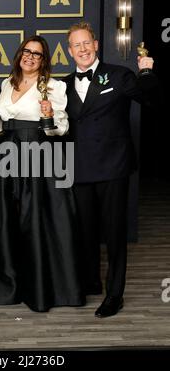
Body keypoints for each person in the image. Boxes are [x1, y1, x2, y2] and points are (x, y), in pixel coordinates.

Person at [0, 35, 86, 312]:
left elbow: (59, 130)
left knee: (36, 220)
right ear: (19, 55)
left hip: (39, 155)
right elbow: (1, 123)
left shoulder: (54, 86)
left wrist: (49, 115)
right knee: (6, 220)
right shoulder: (6, 83)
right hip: (7, 156)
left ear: (44, 60)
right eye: (26, 51)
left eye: (37, 54)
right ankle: (8, 283)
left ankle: (41, 287)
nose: (30, 57)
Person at [63, 21, 157, 317]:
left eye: (86, 43)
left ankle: (115, 294)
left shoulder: (118, 74)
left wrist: (146, 72)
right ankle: (90, 282)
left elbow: (150, 98)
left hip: (112, 167)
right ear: (69, 51)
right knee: (85, 232)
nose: (82, 49)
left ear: (96, 44)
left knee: (114, 234)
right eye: (76, 45)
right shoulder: (61, 85)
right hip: (78, 169)